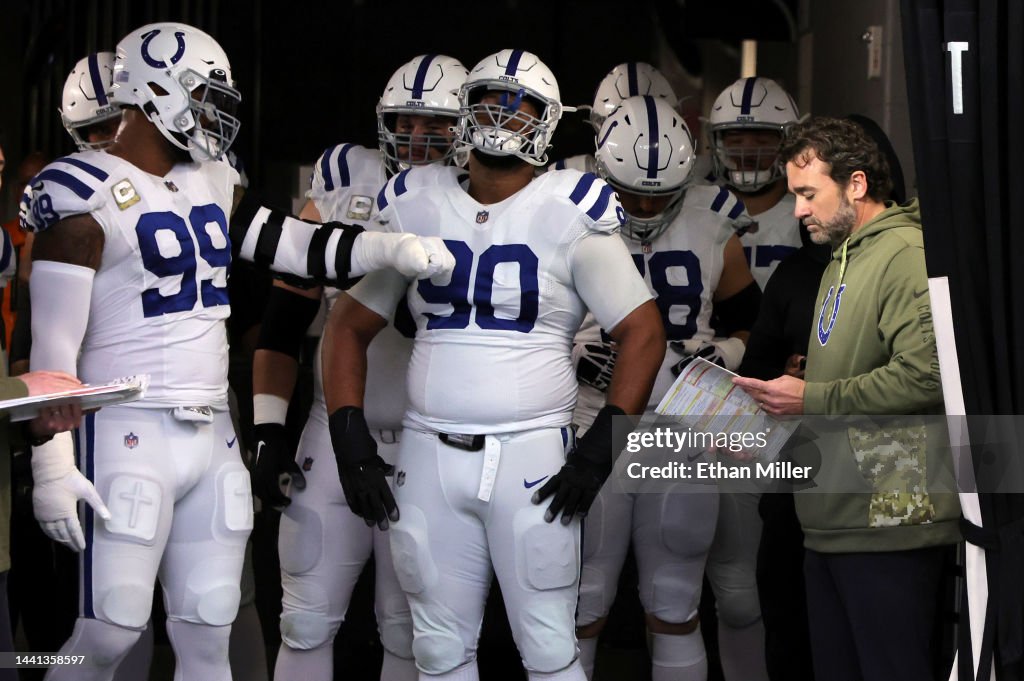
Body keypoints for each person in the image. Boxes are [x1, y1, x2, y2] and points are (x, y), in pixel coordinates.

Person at [19, 23, 452, 681]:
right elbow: (51, 350)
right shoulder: (79, 189)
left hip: (210, 427)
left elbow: (294, 244)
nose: (215, 114)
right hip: (124, 425)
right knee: (108, 626)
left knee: (210, 621)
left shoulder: (214, 180)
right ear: (156, 89)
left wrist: (382, 249)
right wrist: (51, 459)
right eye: (202, 96)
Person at [321, 48, 665, 681]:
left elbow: (643, 331)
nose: (502, 116)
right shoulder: (415, 201)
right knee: (437, 650)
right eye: (488, 100)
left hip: (533, 453)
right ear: (464, 106)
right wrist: (349, 436)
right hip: (428, 451)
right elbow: (347, 325)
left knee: (549, 647)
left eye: (521, 105)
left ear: (548, 120)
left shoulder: (570, 204)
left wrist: (602, 445)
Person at [251, 53, 467, 681]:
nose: (417, 138)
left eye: (435, 125)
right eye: (405, 121)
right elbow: (283, 325)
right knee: (305, 618)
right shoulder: (345, 181)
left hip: (431, 438)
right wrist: (268, 430)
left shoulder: (483, 196)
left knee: (413, 630)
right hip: (334, 423)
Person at [733, 115, 960, 681]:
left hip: (887, 518)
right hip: (831, 515)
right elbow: (842, 383)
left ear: (856, 184)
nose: (798, 210)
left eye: (809, 194)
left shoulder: (905, 252)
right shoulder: (843, 254)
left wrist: (810, 398)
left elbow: (927, 377)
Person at [572, 95, 761, 681]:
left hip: (681, 427)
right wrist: (567, 352)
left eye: (660, 192)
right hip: (588, 420)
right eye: (632, 192)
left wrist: (722, 353)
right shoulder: (564, 209)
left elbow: (756, 326)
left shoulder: (713, 219)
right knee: (582, 598)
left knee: (676, 598)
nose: (647, 205)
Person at [706, 76, 802, 290]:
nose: (748, 150)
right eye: (736, 138)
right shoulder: (700, 203)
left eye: (762, 139)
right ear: (718, 141)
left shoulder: (808, 209)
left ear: (788, 141)